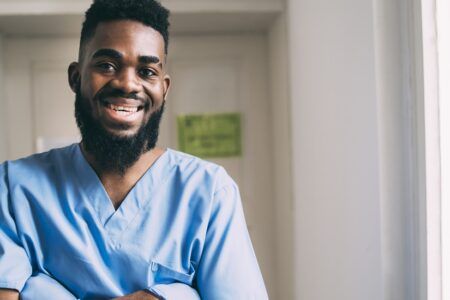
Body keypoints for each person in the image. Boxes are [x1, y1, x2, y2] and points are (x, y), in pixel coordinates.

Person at [0, 0, 268, 299]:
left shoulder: (208, 191)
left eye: (147, 71)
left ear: (164, 89)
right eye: (106, 65)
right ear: (76, 77)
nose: (128, 83)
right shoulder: (13, 187)